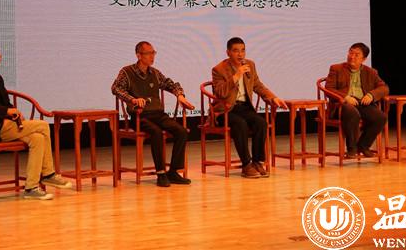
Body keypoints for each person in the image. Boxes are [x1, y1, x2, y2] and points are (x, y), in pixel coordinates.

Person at [0, 41, 71, 200]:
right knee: (42, 125)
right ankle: (48, 174)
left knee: (38, 138)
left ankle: (31, 187)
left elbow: (6, 103)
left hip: (6, 125)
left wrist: (14, 112)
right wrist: (5, 111)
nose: (0, 56)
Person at [111, 41, 195, 187]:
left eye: (153, 53)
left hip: (158, 114)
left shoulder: (154, 73)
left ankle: (173, 172)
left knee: (181, 131)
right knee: (156, 133)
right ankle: (161, 173)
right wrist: (132, 99)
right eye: (148, 53)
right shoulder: (127, 72)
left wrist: (179, 95)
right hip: (139, 116)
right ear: (139, 55)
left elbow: (171, 84)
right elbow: (116, 88)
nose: (152, 56)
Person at [211, 37, 287, 178]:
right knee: (240, 124)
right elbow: (220, 93)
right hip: (226, 110)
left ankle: (257, 162)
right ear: (228, 53)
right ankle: (246, 164)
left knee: (261, 122)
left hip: (244, 107)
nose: (240, 54)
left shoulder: (250, 65)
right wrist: (236, 76)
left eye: (243, 50)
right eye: (236, 51)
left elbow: (258, 85)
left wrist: (273, 98)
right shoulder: (219, 69)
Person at [325, 42, 389, 158]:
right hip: (342, 105)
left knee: (380, 117)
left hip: (362, 104)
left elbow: (384, 88)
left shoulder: (371, 72)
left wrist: (371, 95)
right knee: (351, 111)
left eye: (356, 54)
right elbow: (329, 88)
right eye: (350, 53)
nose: (352, 56)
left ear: (363, 59)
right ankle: (352, 148)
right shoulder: (336, 68)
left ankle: (363, 145)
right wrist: (345, 97)